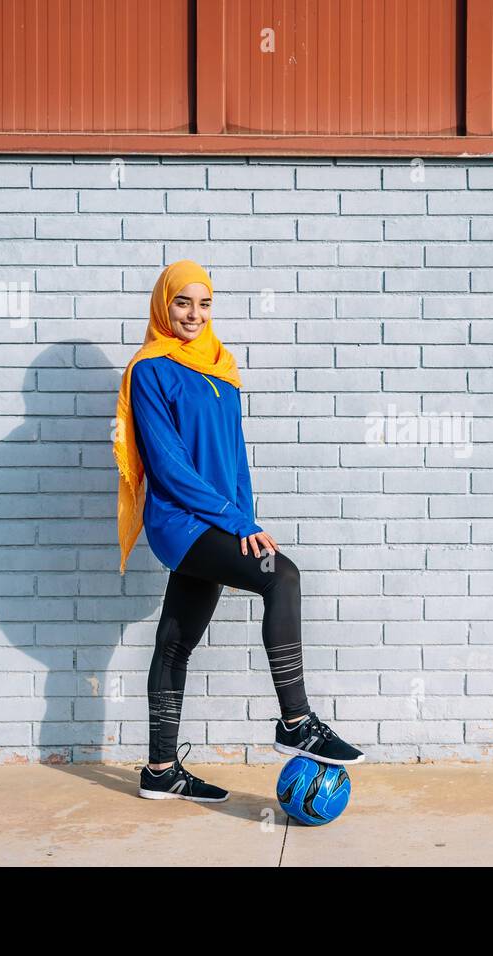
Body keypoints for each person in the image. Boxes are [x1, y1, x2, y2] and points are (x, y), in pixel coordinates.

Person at [112, 260, 365, 804]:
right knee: (283, 575)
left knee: (175, 642)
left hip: (221, 521)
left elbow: (234, 460)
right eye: (183, 302)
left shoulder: (221, 368)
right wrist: (236, 522)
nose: (194, 315)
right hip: (181, 522)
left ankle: (159, 770)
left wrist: (246, 521)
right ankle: (296, 719)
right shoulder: (150, 368)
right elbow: (169, 466)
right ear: (163, 305)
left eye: (204, 304)